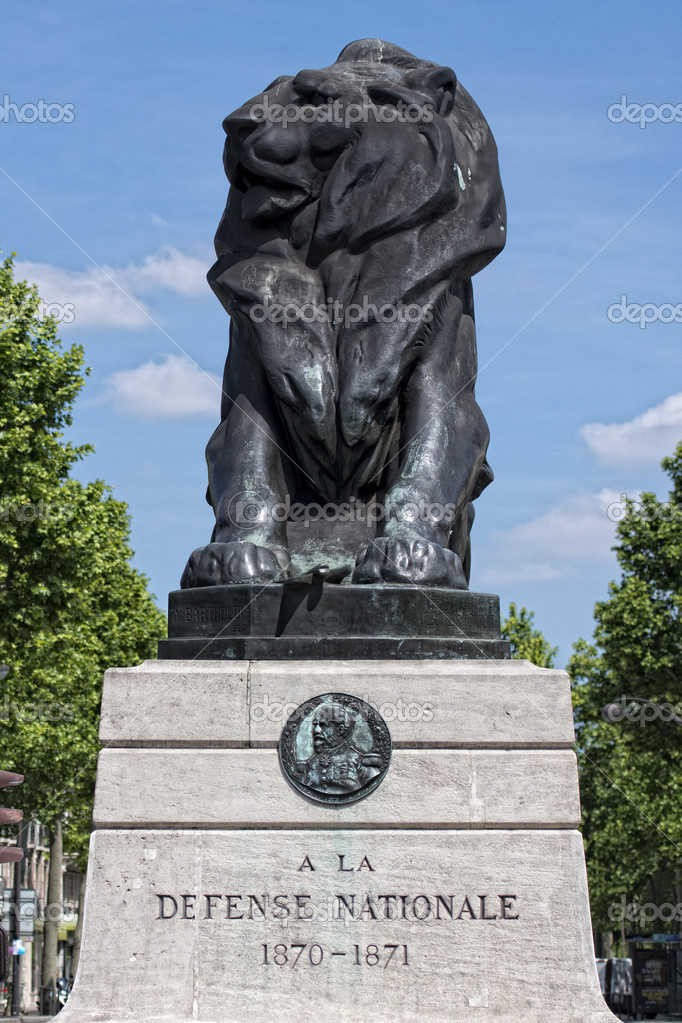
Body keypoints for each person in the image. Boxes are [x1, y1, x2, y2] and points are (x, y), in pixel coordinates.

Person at [300, 702, 383, 795]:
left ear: (340, 729)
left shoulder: (361, 763)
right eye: (315, 725)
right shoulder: (309, 765)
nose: (316, 730)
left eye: (323, 725)